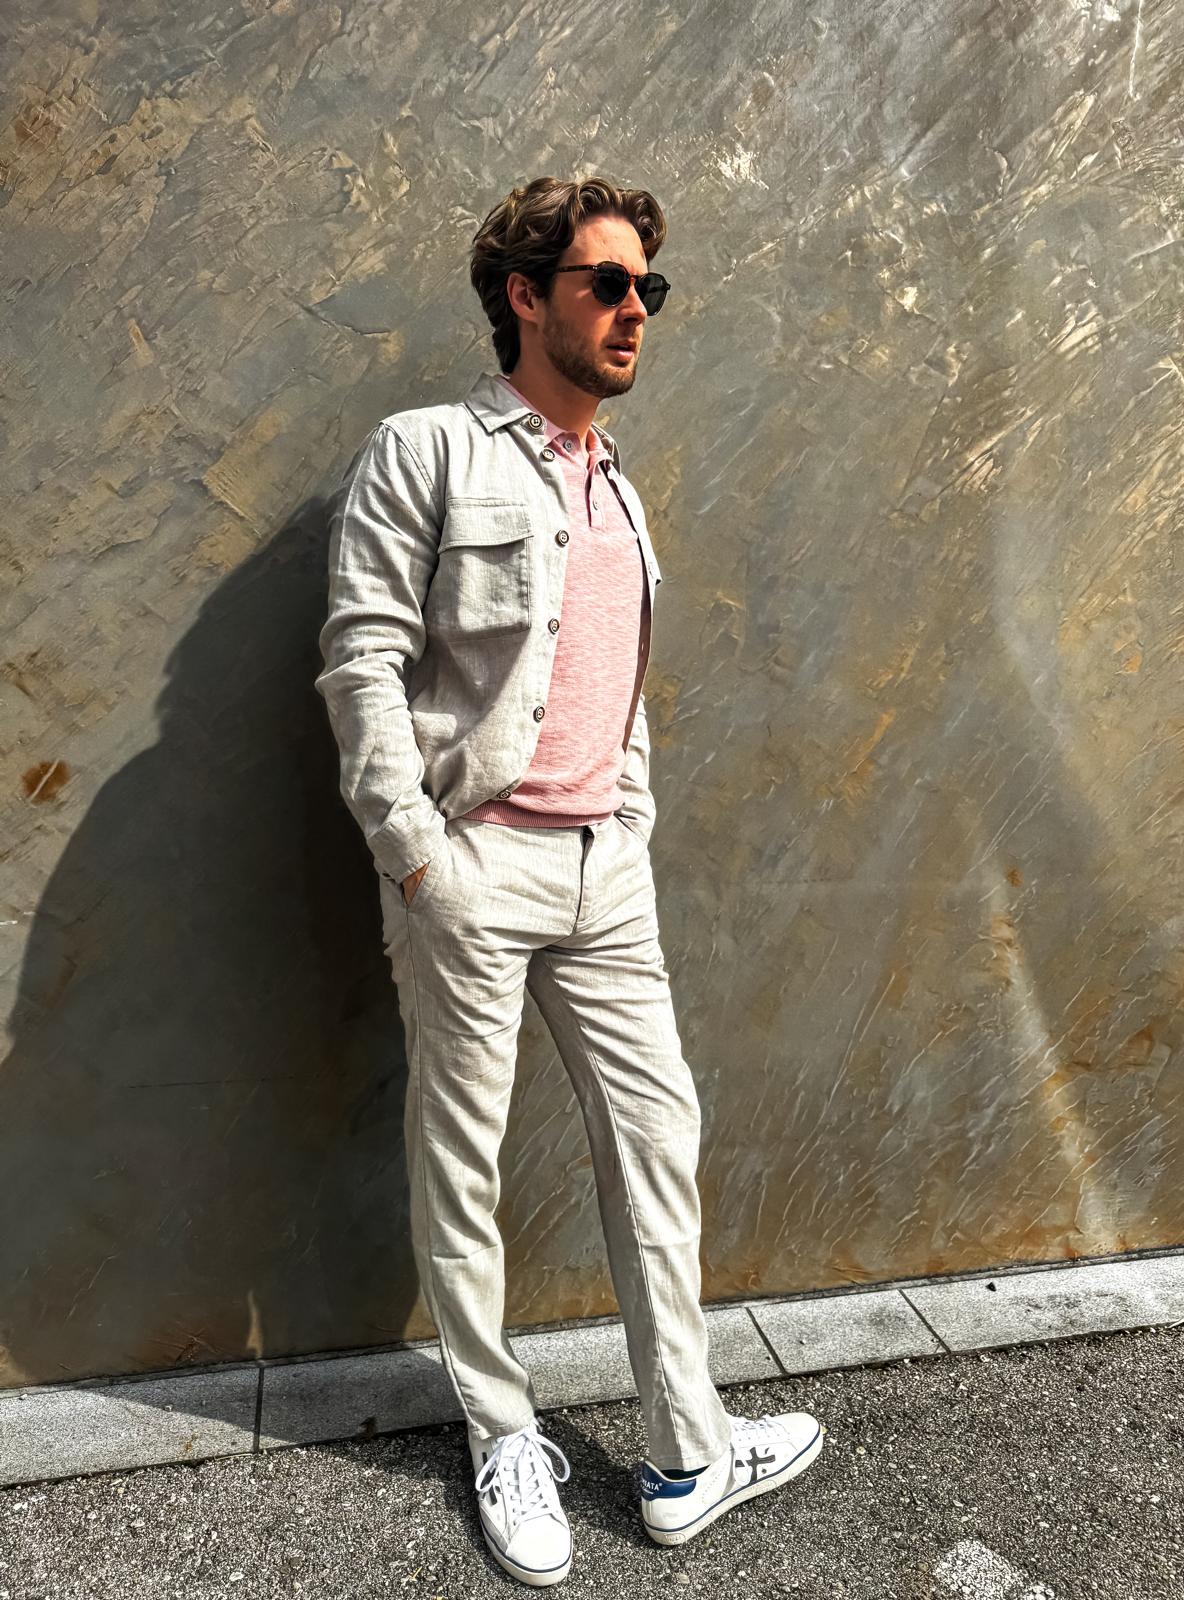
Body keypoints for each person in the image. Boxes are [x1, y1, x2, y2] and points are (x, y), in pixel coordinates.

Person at [315, 174, 823, 1588]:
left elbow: (617, 687)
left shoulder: (619, 488)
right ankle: (503, 1434)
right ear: (526, 295)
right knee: (462, 1159)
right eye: (607, 283)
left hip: (608, 870)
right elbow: (361, 657)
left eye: (648, 288)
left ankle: (685, 1452)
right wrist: (417, 854)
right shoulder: (427, 450)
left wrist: (630, 815)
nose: (634, 309)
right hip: (471, 864)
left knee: (658, 1140)